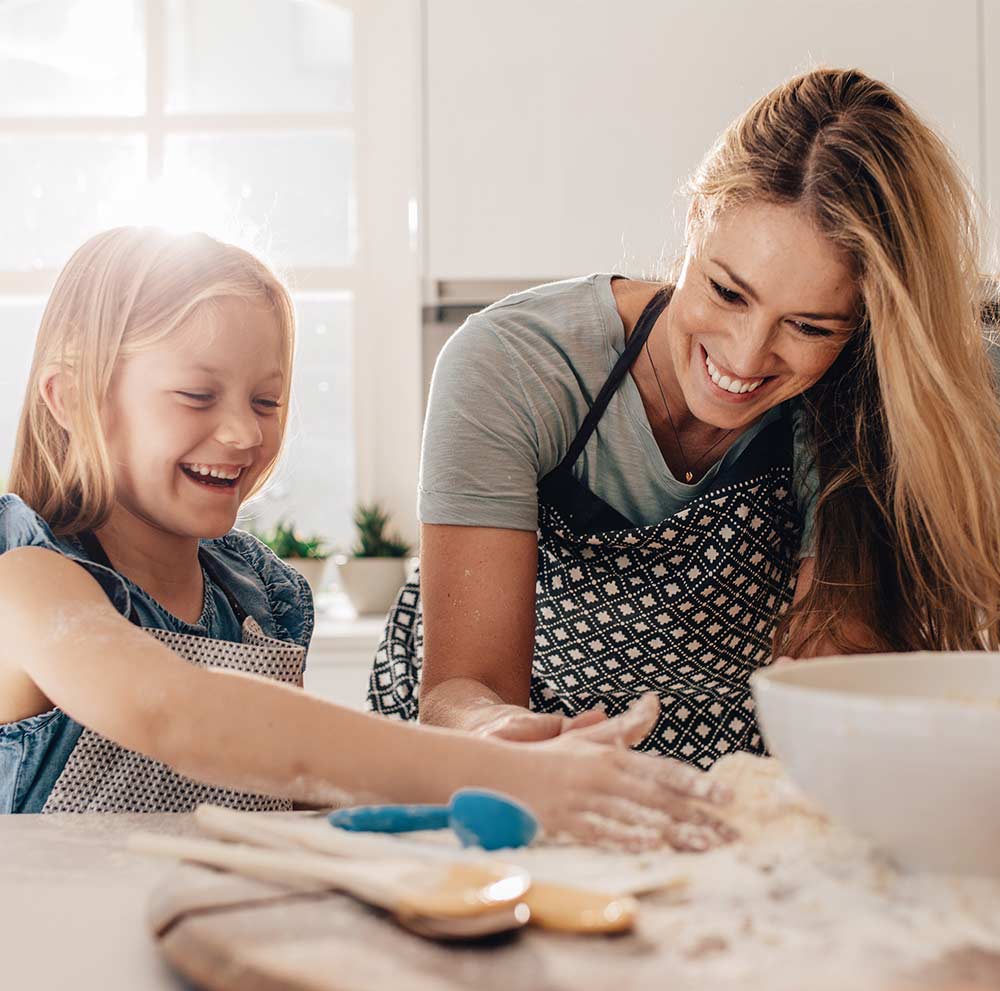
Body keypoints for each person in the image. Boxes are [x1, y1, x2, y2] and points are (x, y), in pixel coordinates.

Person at [0, 226, 733, 850]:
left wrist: (465, 760)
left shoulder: (262, 595)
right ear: (72, 399)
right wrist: (500, 775)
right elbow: (175, 711)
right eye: (196, 396)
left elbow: (282, 795)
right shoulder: (28, 581)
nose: (243, 431)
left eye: (267, 400)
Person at [368, 67, 1000, 770]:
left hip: (722, 775)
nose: (746, 355)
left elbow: (832, 658)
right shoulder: (515, 365)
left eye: (810, 327)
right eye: (728, 292)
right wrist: (504, 736)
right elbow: (466, 686)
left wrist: (836, 711)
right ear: (696, 219)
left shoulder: (872, 399)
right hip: (476, 764)